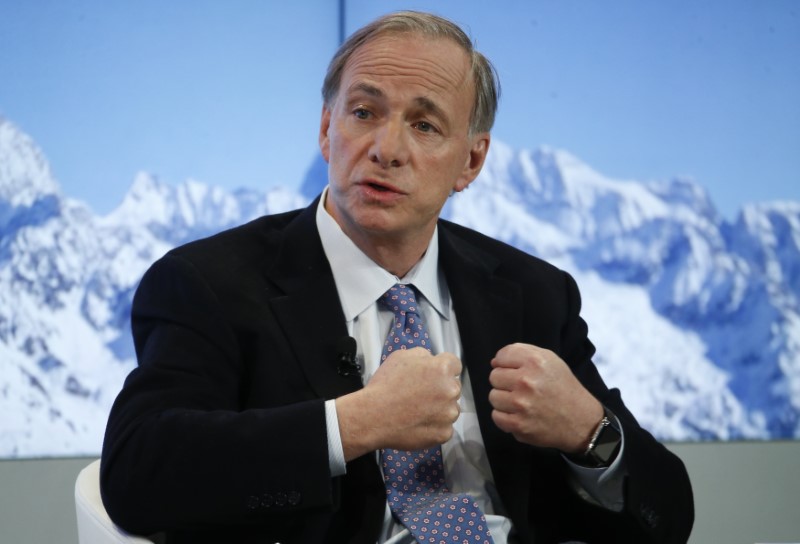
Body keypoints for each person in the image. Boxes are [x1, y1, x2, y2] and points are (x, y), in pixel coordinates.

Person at [101, 10, 693, 544]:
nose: (386, 148)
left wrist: (590, 432)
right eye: (364, 113)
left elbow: (671, 515)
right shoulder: (209, 284)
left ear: (471, 161)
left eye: (425, 125)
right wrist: (356, 423)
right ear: (327, 130)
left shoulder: (533, 293)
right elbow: (136, 472)